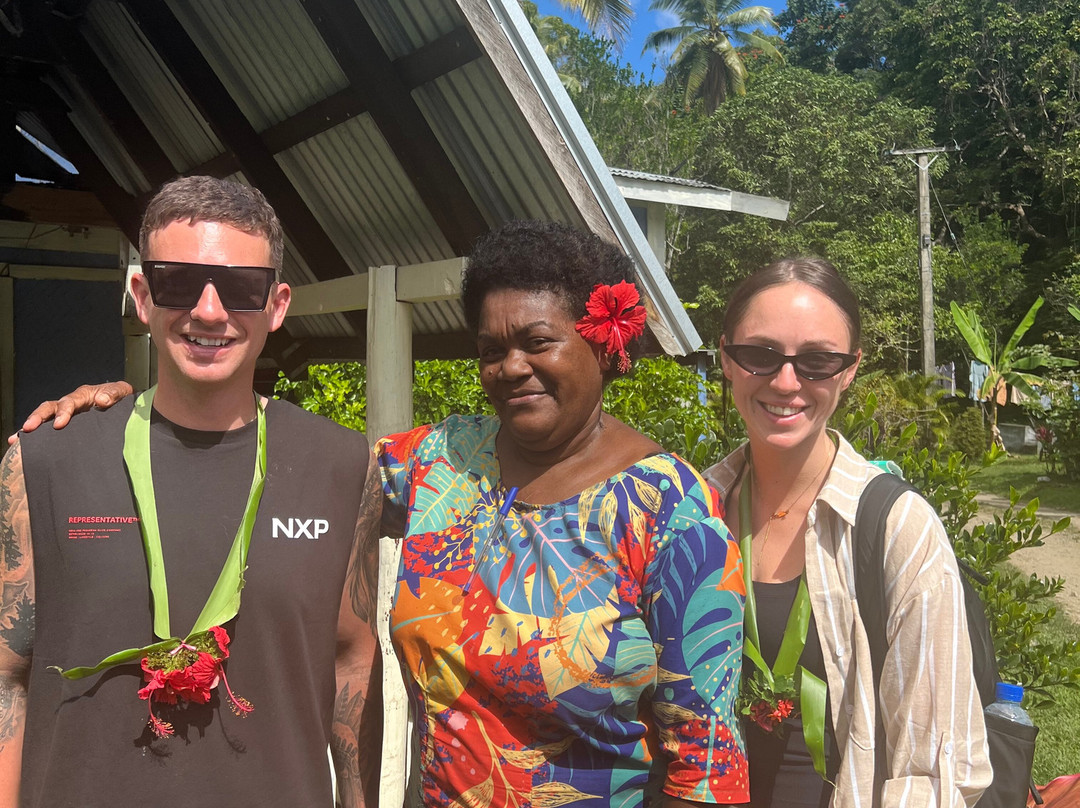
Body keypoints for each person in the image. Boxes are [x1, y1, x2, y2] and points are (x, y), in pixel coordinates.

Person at [20, 219, 750, 808]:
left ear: (603, 342)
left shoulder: (673, 513)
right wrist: (139, 412)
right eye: (490, 350)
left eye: (538, 342)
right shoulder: (440, 463)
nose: (510, 368)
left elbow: (707, 765)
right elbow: (295, 465)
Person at [0, 176, 382, 807]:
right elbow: (8, 676)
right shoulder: (46, 461)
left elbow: (353, 663)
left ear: (277, 305)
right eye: (178, 282)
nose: (209, 311)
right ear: (142, 296)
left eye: (241, 288)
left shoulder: (341, 465)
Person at [702, 258, 991, 808]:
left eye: (817, 361)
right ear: (727, 360)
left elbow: (933, 768)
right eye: (761, 354)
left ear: (850, 369)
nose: (786, 382)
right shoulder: (695, 510)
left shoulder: (895, 527)